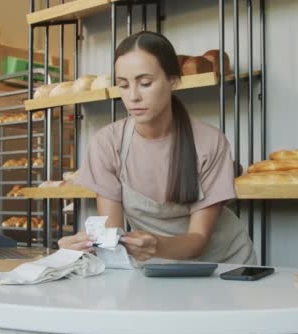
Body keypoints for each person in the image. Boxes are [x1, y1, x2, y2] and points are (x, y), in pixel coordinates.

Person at [58, 31, 256, 264]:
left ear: (173, 80)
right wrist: (86, 246)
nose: (133, 96)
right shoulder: (107, 144)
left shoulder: (210, 142)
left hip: (224, 266)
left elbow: (198, 240)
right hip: (156, 265)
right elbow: (112, 235)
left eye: (145, 83)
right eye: (123, 85)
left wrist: (157, 246)